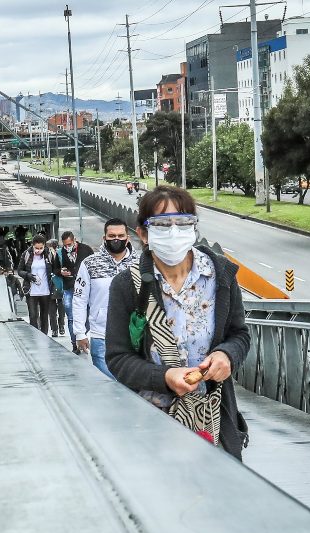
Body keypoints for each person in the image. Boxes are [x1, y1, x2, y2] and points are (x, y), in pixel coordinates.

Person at [105, 186, 251, 459]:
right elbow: (117, 358)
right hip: (152, 427)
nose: (173, 232)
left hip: (213, 419)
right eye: (161, 224)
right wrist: (164, 377)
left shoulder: (221, 276)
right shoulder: (127, 286)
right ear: (143, 234)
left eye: (183, 223)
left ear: (193, 229)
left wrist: (227, 355)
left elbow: (239, 335)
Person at [73, 219, 137, 378]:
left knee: (132, 391)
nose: (117, 239)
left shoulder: (140, 263)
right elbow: (79, 299)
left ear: (127, 238)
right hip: (101, 337)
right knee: (111, 388)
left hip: (135, 338)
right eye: (112, 236)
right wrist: (80, 333)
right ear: (104, 238)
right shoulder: (89, 264)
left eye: (121, 235)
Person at [57, 231, 94, 354]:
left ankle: (82, 335)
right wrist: (61, 272)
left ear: (74, 240)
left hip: (85, 288)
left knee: (87, 315)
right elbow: (54, 268)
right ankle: (75, 344)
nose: (67, 247)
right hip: (69, 287)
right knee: (71, 316)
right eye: (65, 245)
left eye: (69, 244)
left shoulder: (86, 249)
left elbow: (93, 266)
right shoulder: (60, 253)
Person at [17, 236, 55, 334]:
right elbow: (19, 270)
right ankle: (35, 336)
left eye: (41, 248)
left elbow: (54, 268)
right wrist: (28, 275)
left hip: (45, 290)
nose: (38, 250)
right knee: (33, 315)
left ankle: (44, 335)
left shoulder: (49, 254)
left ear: (44, 246)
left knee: (44, 316)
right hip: (31, 290)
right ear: (32, 246)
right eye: (36, 248)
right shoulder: (26, 254)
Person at [47, 238, 65, 337]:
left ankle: (61, 326)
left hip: (58, 282)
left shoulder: (60, 253)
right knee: (52, 309)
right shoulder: (45, 255)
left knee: (61, 307)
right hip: (50, 283)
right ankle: (54, 328)